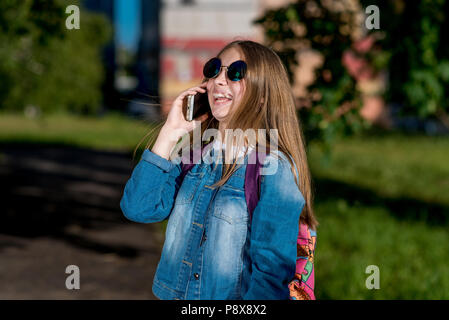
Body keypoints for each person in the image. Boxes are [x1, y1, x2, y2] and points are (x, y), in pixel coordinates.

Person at [120, 40, 318, 300]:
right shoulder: (195, 157)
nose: (219, 80)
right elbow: (139, 208)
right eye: (214, 69)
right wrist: (171, 132)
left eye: (236, 72)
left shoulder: (273, 168)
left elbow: (271, 274)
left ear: (262, 95)